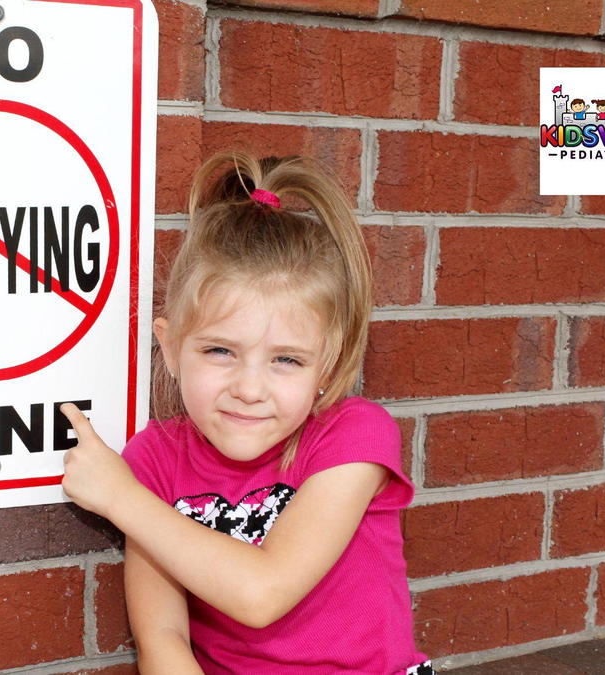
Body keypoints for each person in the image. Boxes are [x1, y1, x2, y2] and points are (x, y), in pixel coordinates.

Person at [58, 153, 432, 674]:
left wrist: (121, 498)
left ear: (329, 364)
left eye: (286, 360)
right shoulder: (154, 460)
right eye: (219, 352)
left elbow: (262, 593)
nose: (249, 389)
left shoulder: (354, 436)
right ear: (169, 347)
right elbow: (163, 638)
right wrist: (131, 492)